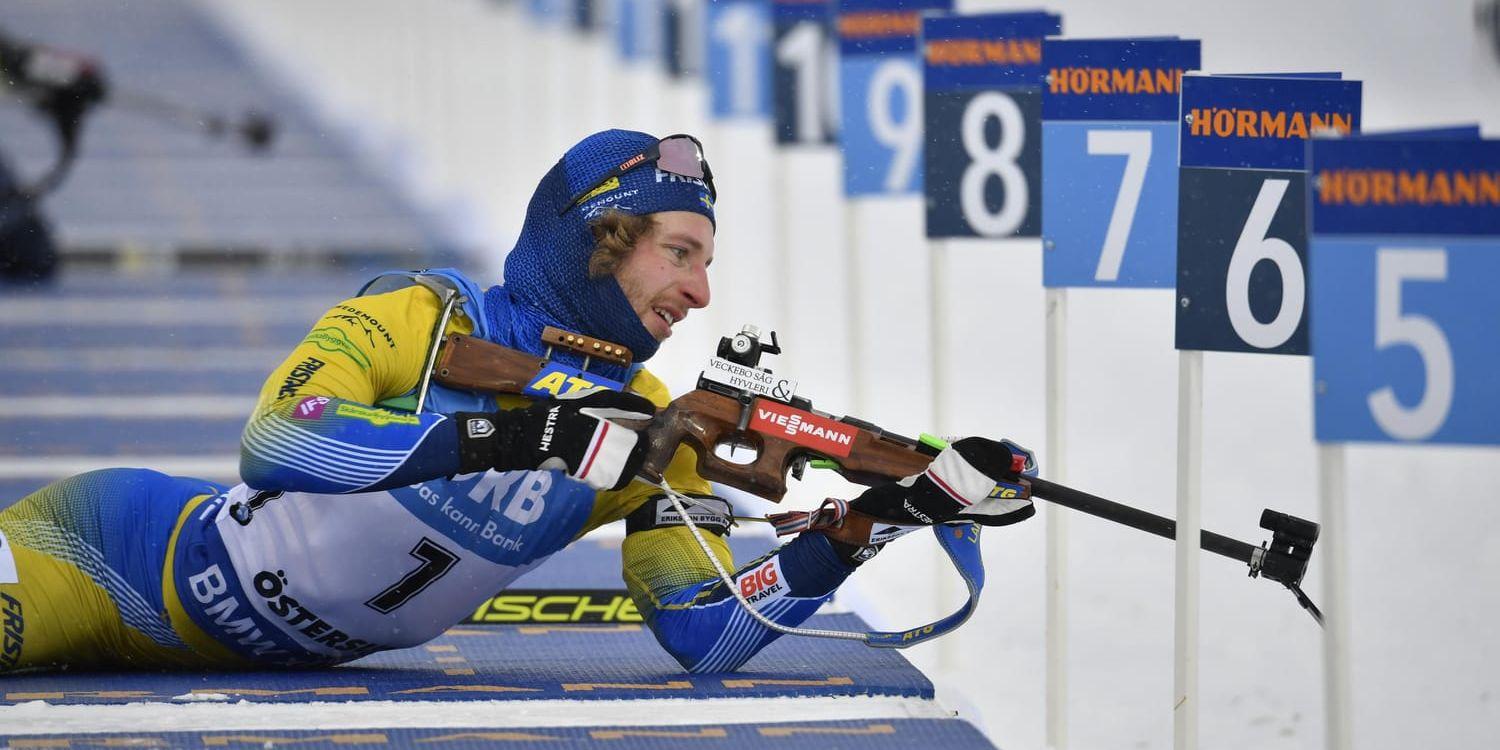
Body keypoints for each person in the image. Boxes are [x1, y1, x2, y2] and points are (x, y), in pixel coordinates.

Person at [0, 129, 1036, 674]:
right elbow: (275, 442)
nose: (702, 291)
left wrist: (865, 527)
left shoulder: (649, 426)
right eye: (680, 253)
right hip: (108, 561)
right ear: (601, 240)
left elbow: (707, 637)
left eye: (710, 263)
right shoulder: (423, 312)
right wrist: (519, 431)